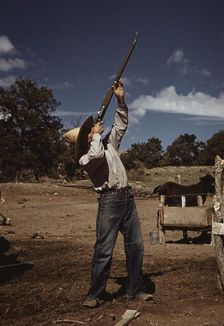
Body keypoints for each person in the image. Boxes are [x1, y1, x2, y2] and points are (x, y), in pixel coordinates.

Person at [64, 81, 153, 308]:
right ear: (85, 140)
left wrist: (120, 99)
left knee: (136, 246)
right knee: (103, 250)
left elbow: (121, 125)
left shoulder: (106, 144)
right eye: (88, 132)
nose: (93, 131)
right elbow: (95, 155)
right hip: (110, 201)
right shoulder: (86, 158)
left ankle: (135, 290)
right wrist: (95, 136)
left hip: (127, 198)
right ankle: (95, 295)